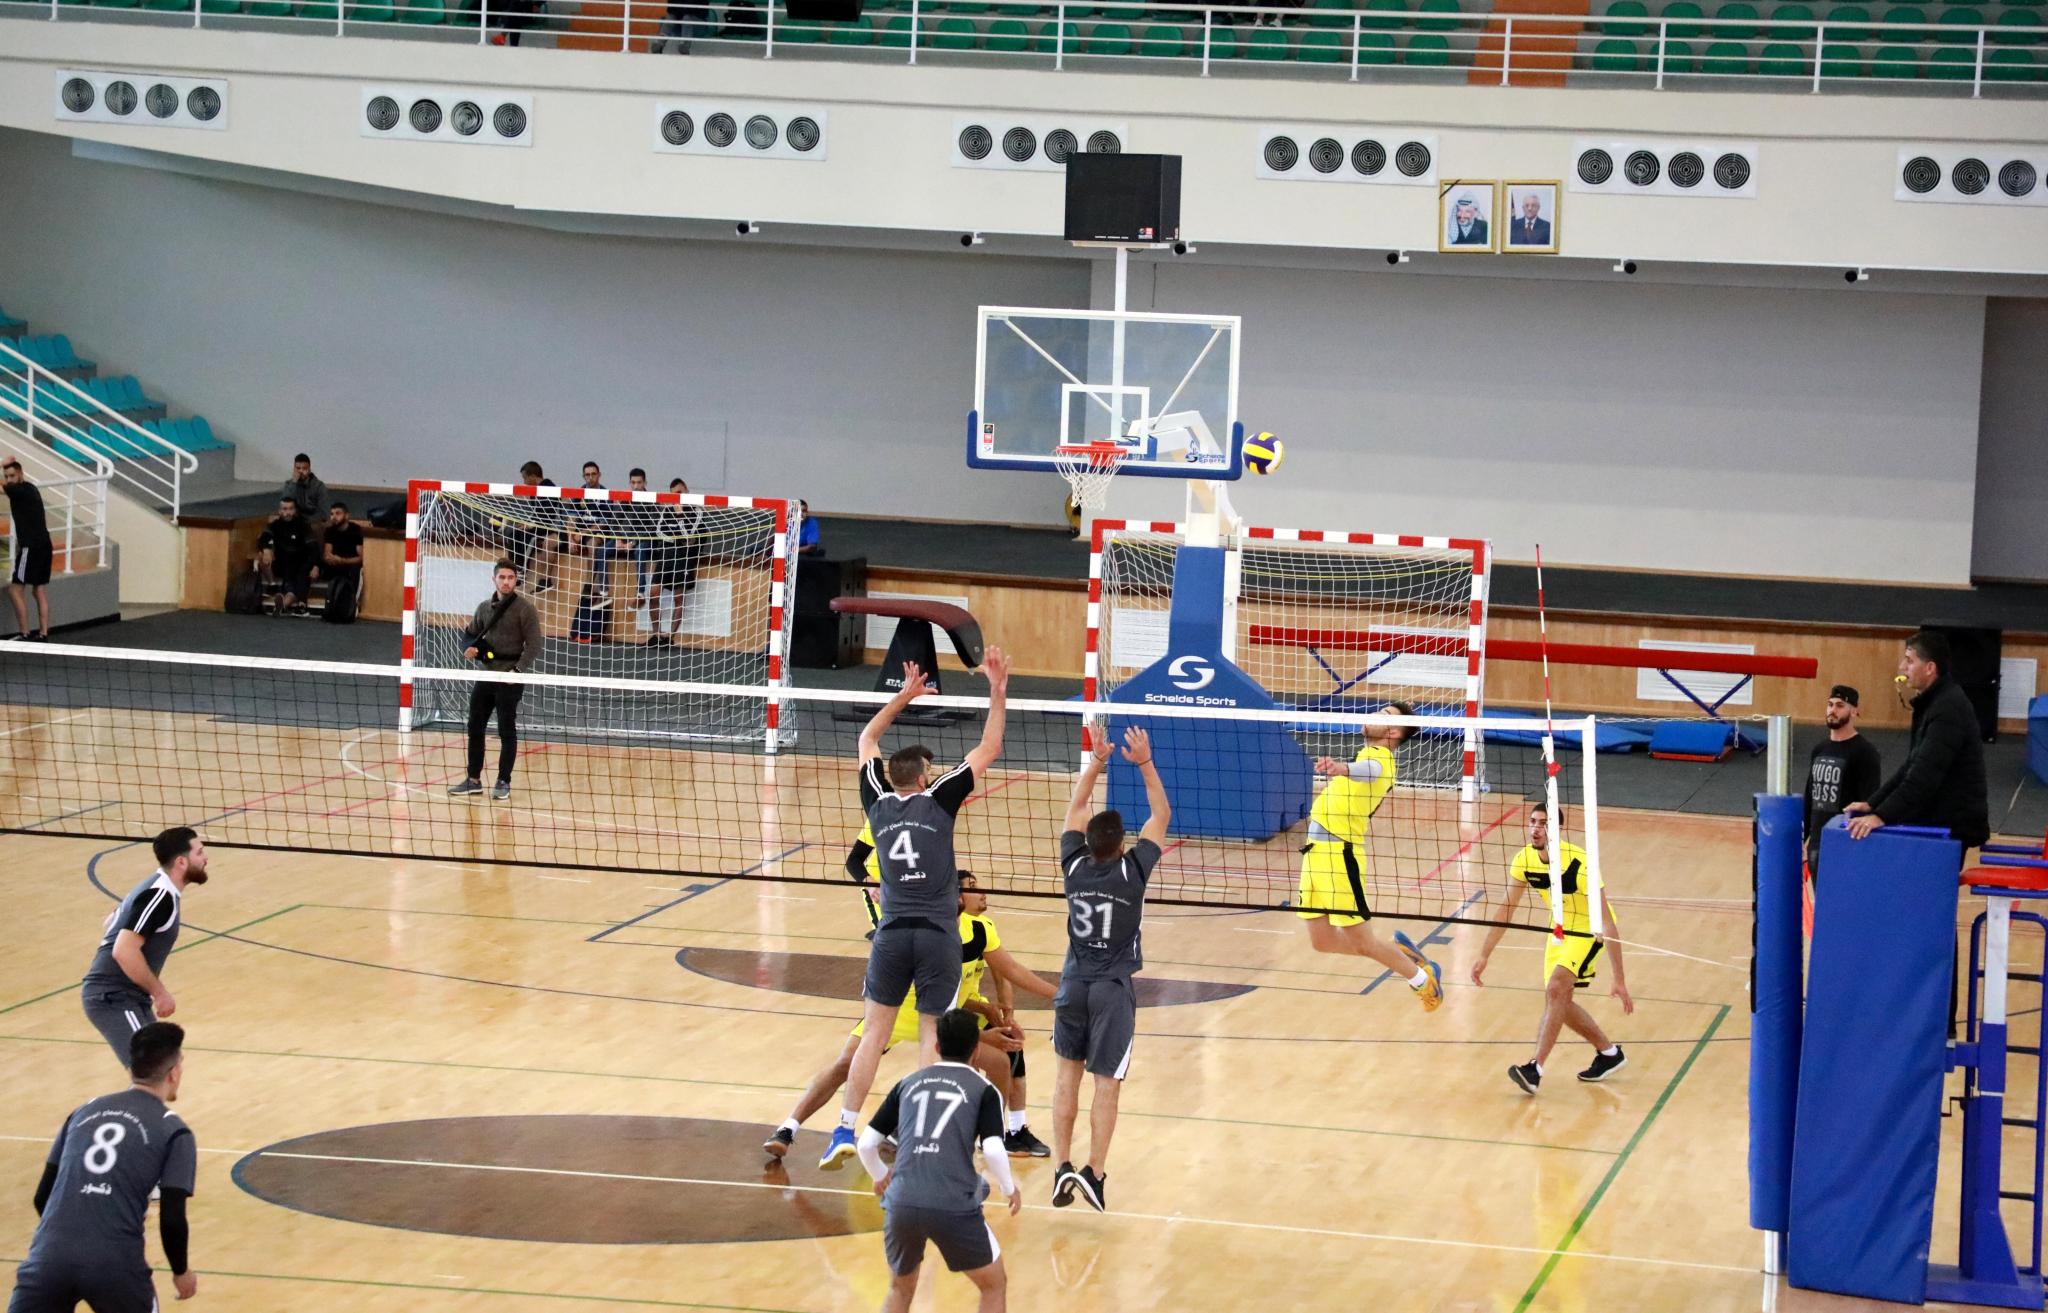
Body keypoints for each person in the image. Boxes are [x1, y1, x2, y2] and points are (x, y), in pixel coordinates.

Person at [821, 650, 1012, 1170]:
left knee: (874, 1033)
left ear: (892, 776)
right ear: (926, 777)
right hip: (936, 936)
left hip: (890, 933)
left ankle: (843, 1126)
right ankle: (918, 1133)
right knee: (931, 1033)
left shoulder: (877, 802)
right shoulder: (940, 799)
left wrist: (902, 697)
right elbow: (990, 746)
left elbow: (866, 742)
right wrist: (997, 687)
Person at [763, 873, 1057, 1162]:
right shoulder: (932, 937)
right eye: (972, 888)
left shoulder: (981, 929)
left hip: (953, 1011)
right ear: (954, 897)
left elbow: (1011, 971)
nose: (983, 892)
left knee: (1003, 1063)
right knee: (845, 1064)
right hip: (910, 1011)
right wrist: (981, 1031)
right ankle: (788, 1128)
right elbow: (939, 1011)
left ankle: (987, 1137)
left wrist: (1056, 998)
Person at [1047, 726, 1168, 1214]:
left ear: (1088, 843)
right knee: (1106, 1083)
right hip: (1113, 990)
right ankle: (1094, 1173)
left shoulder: (1073, 865)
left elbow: (1076, 811)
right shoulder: (1132, 871)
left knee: (1065, 1078)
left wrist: (1096, 762)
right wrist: (1143, 762)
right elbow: (1161, 814)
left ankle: (1060, 1166)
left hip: (1073, 984)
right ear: (1121, 845)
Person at [8, 1022, 199, 1312]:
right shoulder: (173, 1130)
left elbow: (41, 1196)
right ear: (173, 1074)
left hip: (48, 1257)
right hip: (115, 1263)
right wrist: (180, 1271)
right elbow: (171, 1217)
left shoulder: (83, 1111)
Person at [855, 1008, 1020, 1313]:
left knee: (899, 1290)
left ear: (937, 1047)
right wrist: (1010, 1189)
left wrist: (882, 1176)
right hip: (951, 1202)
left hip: (901, 1201)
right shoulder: (984, 1091)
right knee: (993, 1284)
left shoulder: (908, 1082)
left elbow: (866, 1144)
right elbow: (994, 1149)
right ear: (977, 1050)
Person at [1470, 802, 1632, 1094]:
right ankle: (1609, 1054)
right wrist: (1484, 954)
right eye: (1532, 821)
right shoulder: (1523, 860)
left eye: (1543, 823)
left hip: (1588, 928)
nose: (1535, 828)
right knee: (1559, 1000)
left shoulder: (1580, 864)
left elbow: (1607, 922)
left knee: (1557, 988)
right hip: (1558, 927)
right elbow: (1506, 909)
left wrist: (1619, 977)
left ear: (1557, 829)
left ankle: (1534, 1069)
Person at [1295, 702, 1445, 1011]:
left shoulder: (1382, 760)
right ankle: (1403, 955)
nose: (1373, 715)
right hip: (1314, 856)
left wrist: (1343, 768)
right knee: (1321, 941)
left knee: (1362, 941)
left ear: (1392, 732)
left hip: (1339, 857)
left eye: (1384, 715)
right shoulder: (1366, 755)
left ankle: (1423, 979)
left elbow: (1369, 772)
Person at [1845, 630, 1990, 850]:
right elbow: (1911, 766)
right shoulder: (1936, 703)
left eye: (1909, 661)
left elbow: (1924, 775)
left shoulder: (1948, 709)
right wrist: (1873, 804)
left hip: (1951, 825)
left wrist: (1882, 816)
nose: (1902, 667)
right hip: (1941, 817)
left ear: (1930, 668)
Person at [79, 828, 210, 1068]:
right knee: (151, 1070)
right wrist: (160, 993)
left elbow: (110, 922)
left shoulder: (155, 888)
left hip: (129, 995)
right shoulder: (160, 895)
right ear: (181, 862)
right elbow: (123, 950)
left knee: (164, 1067)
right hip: (112, 996)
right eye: (200, 852)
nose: (205, 858)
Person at [449, 560, 542, 802]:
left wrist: (518, 671)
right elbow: (469, 635)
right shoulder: (483, 608)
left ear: (516, 580)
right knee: (475, 726)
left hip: (510, 677)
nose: (506, 581)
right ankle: (473, 780)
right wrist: (468, 649)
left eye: (511, 577)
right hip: (485, 674)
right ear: (494, 580)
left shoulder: (525, 609)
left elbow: (534, 645)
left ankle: (503, 780)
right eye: (502, 577)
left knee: (506, 730)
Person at [1803, 684, 1881, 877]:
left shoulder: (1865, 752)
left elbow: (1870, 800)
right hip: (1817, 841)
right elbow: (1809, 796)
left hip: (1844, 840)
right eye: (1830, 705)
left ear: (1854, 711)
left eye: (1840, 705)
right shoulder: (1819, 749)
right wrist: (1801, 839)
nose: (1832, 710)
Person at [647, 479, 704, 647]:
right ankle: (656, 634)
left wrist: (680, 516)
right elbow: (658, 532)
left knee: (678, 599)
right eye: (673, 495)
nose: (676, 498)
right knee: (653, 594)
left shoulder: (696, 511)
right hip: (665, 557)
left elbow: (689, 539)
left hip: (682, 558)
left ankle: (670, 638)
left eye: (679, 493)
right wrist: (676, 538)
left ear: (686, 490)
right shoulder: (666, 510)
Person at [2, 457, 53, 641]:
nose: (9, 480)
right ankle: (43, 633)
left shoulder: (16, 490)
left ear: (20, 474)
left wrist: (1, 463)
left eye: (12, 476)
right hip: (45, 545)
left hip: (31, 548)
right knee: (37, 590)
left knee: (15, 590)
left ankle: (24, 633)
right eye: (6, 477)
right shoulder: (31, 488)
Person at [257, 496, 315, 616]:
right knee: (261, 554)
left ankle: (282, 606)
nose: (287, 512)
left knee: (291, 589)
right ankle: (272, 585)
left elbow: (313, 548)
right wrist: (267, 550)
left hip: (298, 566)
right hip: (281, 563)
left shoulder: (303, 526)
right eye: (284, 509)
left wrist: (315, 565)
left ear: (295, 510)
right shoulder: (274, 525)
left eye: (290, 509)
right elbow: (264, 538)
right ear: (279, 511)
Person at [507, 461, 558, 596]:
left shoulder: (548, 487)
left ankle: (523, 570)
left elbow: (549, 514)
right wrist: (528, 523)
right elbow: (536, 513)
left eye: (525, 478)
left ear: (533, 476)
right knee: (513, 534)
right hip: (537, 523)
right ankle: (515, 568)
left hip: (548, 526)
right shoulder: (533, 492)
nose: (524, 482)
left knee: (527, 537)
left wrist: (532, 524)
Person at [314, 501, 365, 618]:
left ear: (347, 516)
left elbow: (361, 558)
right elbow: (327, 551)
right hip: (334, 563)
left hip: (349, 564)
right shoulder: (330, 531)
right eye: (332, 514)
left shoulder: (355, 530)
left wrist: (342, 560)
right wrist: (329, 558)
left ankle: (352, 604)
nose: (334, 517)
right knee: (315, 562)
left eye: (338, 514)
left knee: (356, 569)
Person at [278, 452, 329, 520]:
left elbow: (324, 512)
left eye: (304, 468)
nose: (301, 471)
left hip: (313, 521)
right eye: (298, 468)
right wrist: (294, 483)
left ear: (309, 470)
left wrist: (307, 521)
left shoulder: (319, 486)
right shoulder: (289, 484)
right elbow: (285, 504)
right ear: (294, 469)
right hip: (295, 520)